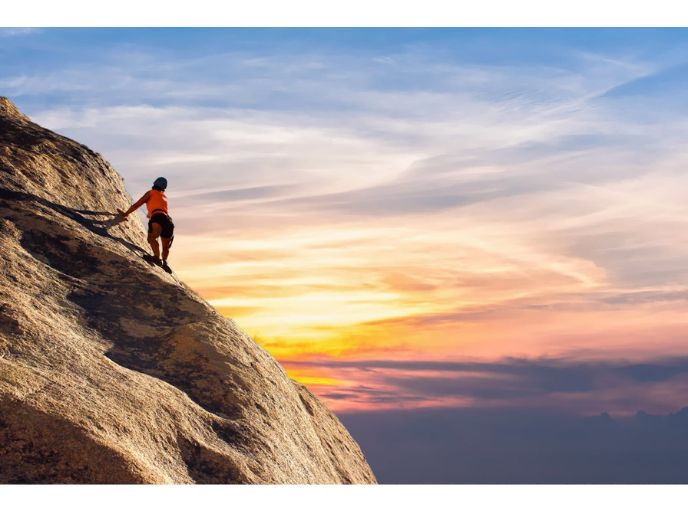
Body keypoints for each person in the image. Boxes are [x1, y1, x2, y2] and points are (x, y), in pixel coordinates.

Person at [118, 177, 174, 273]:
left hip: (158, 218)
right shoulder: (164, 197)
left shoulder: (150, 193)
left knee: (151, 239)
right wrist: (151, 214)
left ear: (154, 184)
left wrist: (125, 213)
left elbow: (137, 205)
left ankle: (157, 258)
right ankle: (165, 262)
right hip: (168, 221)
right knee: (165, 246)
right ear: (164, 187)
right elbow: (159, 208)